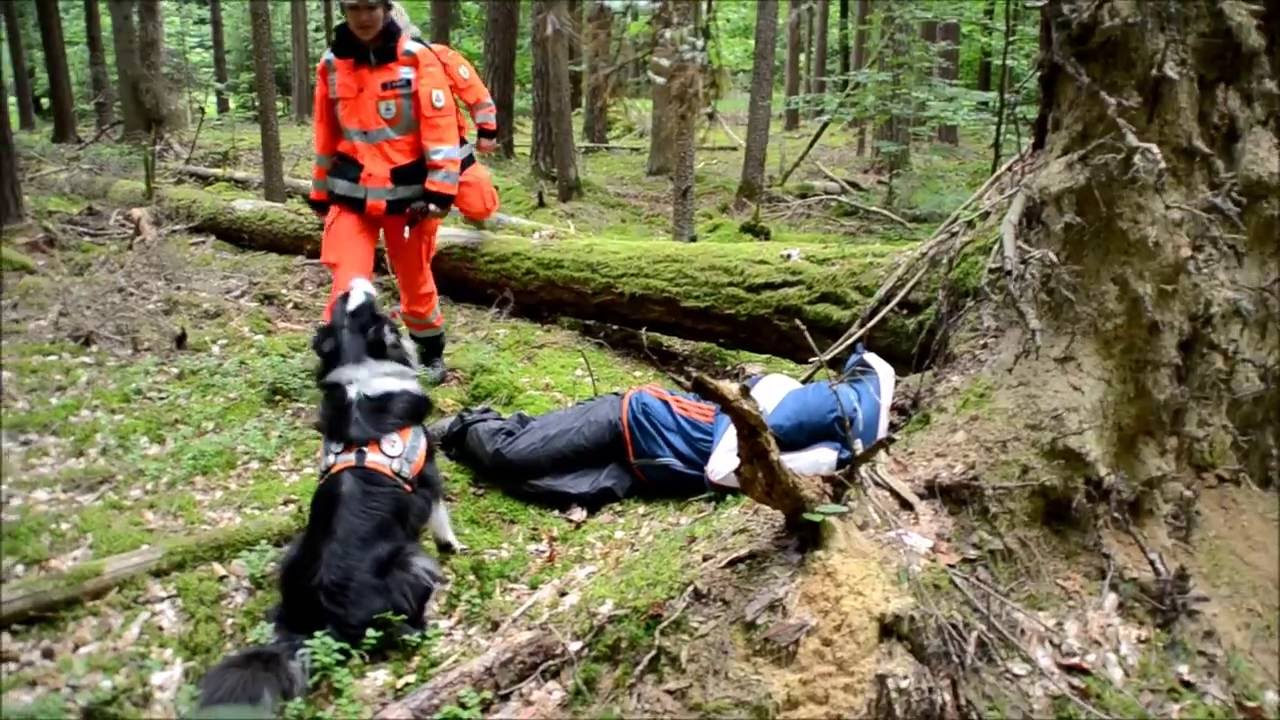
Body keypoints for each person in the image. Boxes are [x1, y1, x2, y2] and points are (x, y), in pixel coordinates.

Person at [435, 347, 897, 510]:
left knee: (530, 481)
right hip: (629, 418)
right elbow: (723, 471)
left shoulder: (785, 421)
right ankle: (465, 424)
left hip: (636, 471)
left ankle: (510, 431)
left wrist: (828, 461)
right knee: (510, 457)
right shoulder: (774, 396)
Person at [308, 0, 478, 385]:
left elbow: (441, 131)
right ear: (343, 11)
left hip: (410, 199)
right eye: (354, 8)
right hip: (351, 193)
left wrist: (440, 191)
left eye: (371, 7)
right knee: (347, 281)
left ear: (386, 9)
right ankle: (345, 363)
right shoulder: (331, 65)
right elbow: (325, 133)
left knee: (415, 280)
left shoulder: (417, 58)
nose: (363, 17)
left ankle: (430, 353)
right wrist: (320, 191)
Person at [388, 3, 501, 229]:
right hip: (401, 154)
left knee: (481, 204)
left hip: (450, 146)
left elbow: (476, 94)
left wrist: (487, 131)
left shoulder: (439, 56)